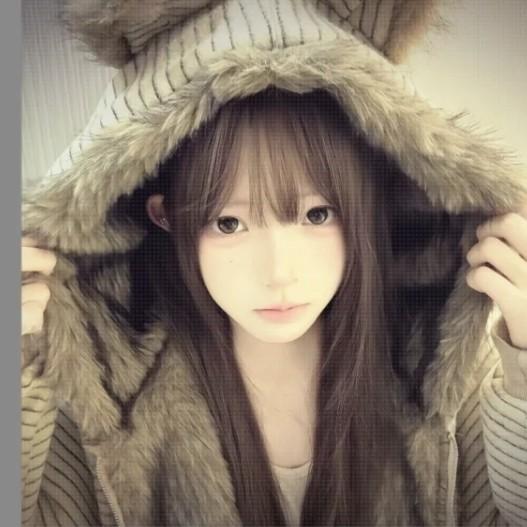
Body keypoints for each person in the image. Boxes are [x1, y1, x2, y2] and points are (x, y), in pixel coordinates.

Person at [21, 1, 527, 526]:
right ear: (166, 217)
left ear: (369, 207)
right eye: (229, 223)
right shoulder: (98, 399)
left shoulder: (446, 369)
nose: (279, 273)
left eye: (316, 214)